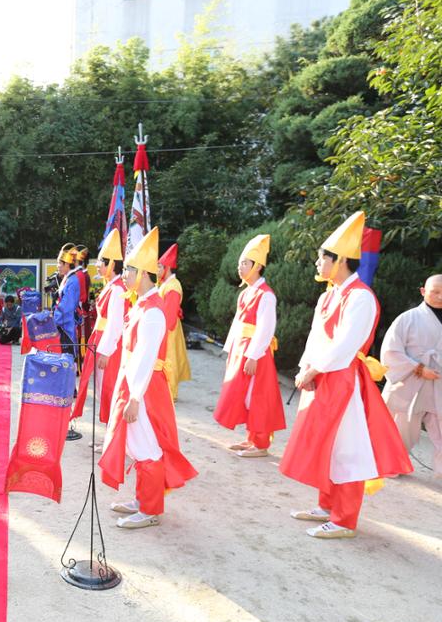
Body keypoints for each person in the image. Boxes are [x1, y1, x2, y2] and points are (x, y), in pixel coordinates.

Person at [280, 211, 412, 539]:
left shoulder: (361, 297)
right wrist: (304, 368)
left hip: (343, 380)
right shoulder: (329, 295)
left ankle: (344, 519)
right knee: (326, 443)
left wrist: (313, 368)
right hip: (322, 376)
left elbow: (346, 344)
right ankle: (327, 506)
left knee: (347, 448)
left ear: (338, 261)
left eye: (321, 259)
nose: (317, 264)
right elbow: (316, 337)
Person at [98, 227, 198, 529]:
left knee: (147, 446)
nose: (124, 274)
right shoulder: (142, 305)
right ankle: (143, 500)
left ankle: (150, 508)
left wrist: (135, 397)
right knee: (138, 443)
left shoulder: (153, 311)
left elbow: (144, 358)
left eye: (129, 269)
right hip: (135, 385)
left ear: (143, 273)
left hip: (145, 389)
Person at [214, 235, 287, 458]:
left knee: (257, 395)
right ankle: (251, 438)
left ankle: (261, 443)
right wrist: (231, 350)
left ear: (257, 266)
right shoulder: (246, 292)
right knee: (243, 393)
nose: (240, 267)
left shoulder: (266, 295)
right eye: (240, 263)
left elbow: (266, 328)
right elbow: (238, 324)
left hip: (255, 352)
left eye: (244, 263)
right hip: (241, 349)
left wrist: (254, 355)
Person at [380, 274, 442, 477]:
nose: (440, 297)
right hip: (409, 381)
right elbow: (391, 351)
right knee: (403, 426)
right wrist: (419, 369)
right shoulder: (407, 318)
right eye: (435, 292)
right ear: (423, 292)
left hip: (438, 384)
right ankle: (391, 463)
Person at [74, 229, 125, 432]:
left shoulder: (118, 289)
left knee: (109, 389)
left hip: (109, 346)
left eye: (100, 262)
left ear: (110, 265)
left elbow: (114, 323)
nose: (96, 265)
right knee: (103, 388)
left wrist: (105, 351)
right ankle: (108, 432)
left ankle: (111, 434)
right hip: (102, 341)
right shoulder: (112, 286)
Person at [157, 244, 191, 399]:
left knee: (169, 358)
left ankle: (170, 392)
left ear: (167, 268)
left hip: (168, 329)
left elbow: (169, 316)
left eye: (159, 267)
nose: (156, 271)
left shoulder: (172, 287)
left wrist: (161, 330)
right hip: (165, 327)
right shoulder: (166, 284)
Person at [53, 243, 81, 362]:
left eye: (60, 263)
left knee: (67, 358)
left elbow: (66, 306)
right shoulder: (68, 278)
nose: (58, 266)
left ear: (67, 264)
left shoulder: (72, 281)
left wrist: (54, 318)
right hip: (63, 322)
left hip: (66, 323)